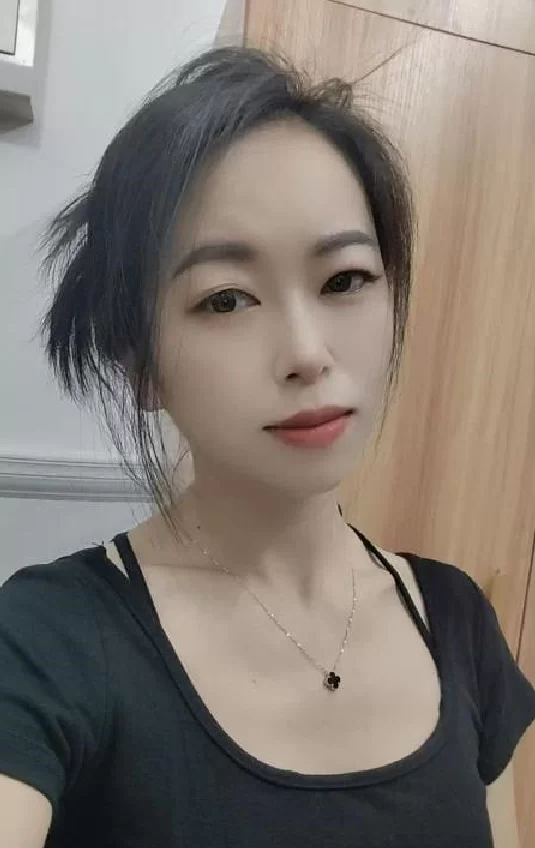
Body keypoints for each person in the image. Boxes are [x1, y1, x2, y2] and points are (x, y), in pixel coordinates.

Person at [1, 45, 534, 848]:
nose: (307, 353)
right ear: (140, 365)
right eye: (225, 299)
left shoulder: (458, 623)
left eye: (344, 280)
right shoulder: (47, 641)